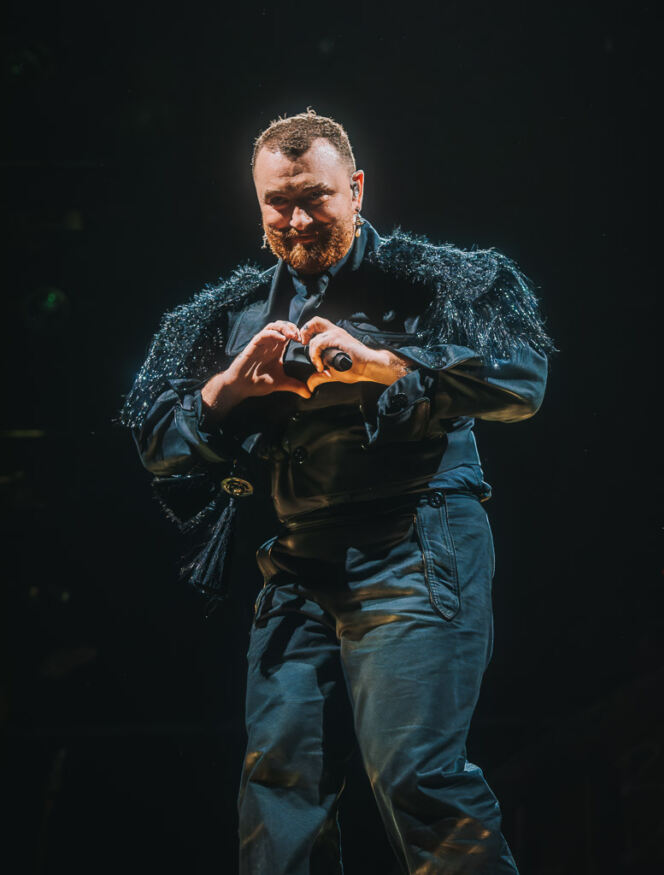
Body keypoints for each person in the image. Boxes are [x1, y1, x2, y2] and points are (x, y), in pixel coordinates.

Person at [121, 110, 553, 874]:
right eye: (277, 204)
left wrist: (386, 365)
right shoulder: (236, 316)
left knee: (419, 778)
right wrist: (226, 388)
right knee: (278, 793)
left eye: (315, 198)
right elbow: (158, 443)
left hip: (416, 549)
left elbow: (523, 380)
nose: (295, 220)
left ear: (356, 189)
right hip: (297, 566)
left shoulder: (435, 282)